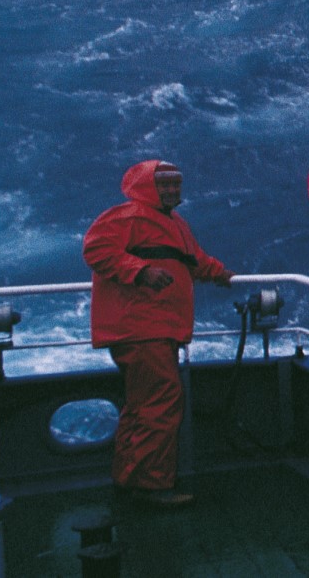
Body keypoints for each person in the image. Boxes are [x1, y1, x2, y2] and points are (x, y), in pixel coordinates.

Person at [82, 159, 234, 507]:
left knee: (143, 405)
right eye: (163, 184)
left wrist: (221, 274)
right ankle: (151, 487)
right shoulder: (126, 217)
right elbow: (96, 249)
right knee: (161, 401)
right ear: (145, 186)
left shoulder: (174, 223)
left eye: (175, 183)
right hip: (140, 327)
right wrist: (140, 271)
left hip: (159, 327)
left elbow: (192, 260)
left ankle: (128, 478)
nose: (171, 190)